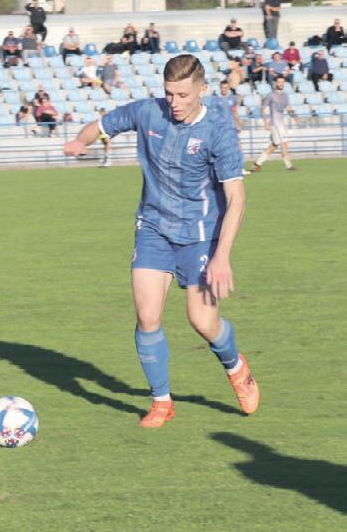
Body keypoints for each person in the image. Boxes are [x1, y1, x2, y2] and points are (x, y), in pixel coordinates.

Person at [63, 54, 259, 428]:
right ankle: (161, 401)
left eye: (183, 95)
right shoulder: (148, 112)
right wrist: (80, 140)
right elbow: (102, 126)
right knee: (147, 315)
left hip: (200, 236)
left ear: (202, 90)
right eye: (169, 93)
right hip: (153, 228)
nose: (175, 102)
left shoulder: (219, 131)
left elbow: (237, 198)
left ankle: (235, 366)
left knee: (202, 321)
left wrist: (222, 256)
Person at [252, 75, 297, 172]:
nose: (281, 84)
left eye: (282, 82)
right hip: (274, 123)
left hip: (281, 123)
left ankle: (258, 163)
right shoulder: (271, 95)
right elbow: (263, 108)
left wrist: (294, 116)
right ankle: (289, 165)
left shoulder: (285, 95)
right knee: (284, 142)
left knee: (274, 145)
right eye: (279, 82)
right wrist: (265, 123)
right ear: (276, 83)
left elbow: (288, 108)